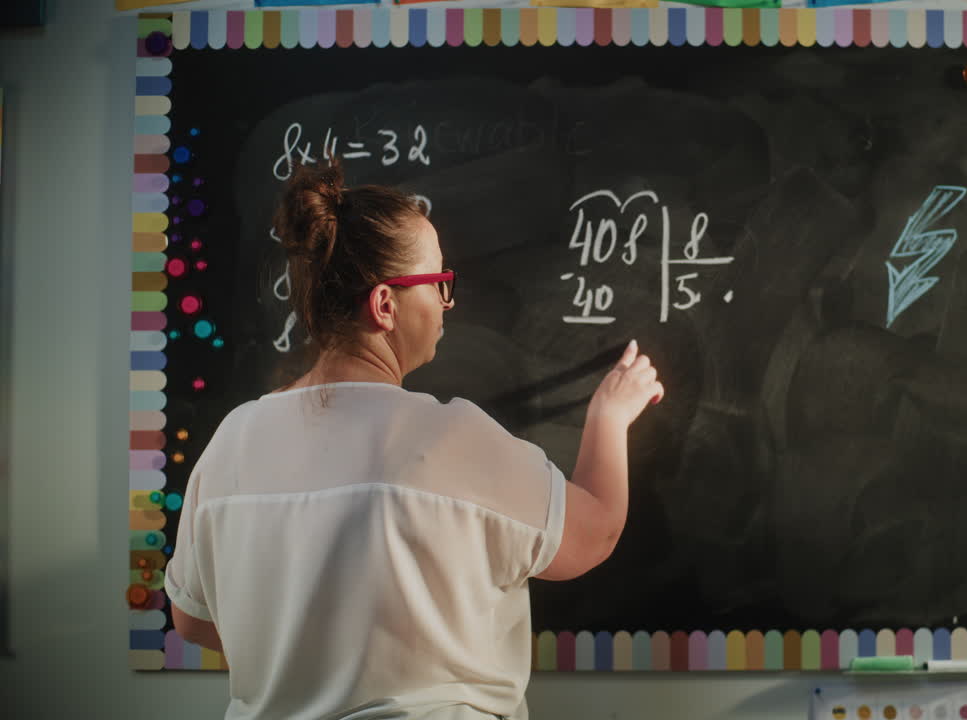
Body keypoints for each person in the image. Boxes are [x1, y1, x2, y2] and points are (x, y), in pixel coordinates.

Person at [164, 164, 664, 720]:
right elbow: (593, 533)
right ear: (385, 305)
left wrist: (301, 647)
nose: (447, 302)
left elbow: (191, 618)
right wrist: (610, 416)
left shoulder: (233, 440)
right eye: (438, 284)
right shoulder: (450, 437)